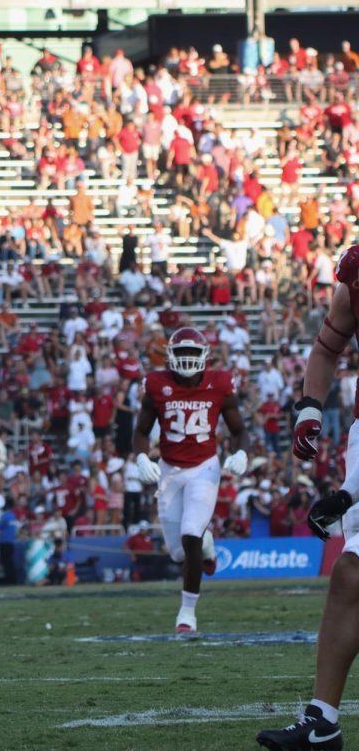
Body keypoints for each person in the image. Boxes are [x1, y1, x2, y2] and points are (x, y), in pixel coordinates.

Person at [258, 244, 359, 750]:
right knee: (350, 575)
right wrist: (309, 407)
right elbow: (326, 347)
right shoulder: (355, 271)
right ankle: (323, 722)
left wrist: (346, 493)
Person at [132, 327, 247, 635]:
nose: (185, 359)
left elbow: (238, 429)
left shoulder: (220, 383)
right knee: (178, 552)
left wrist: (241, 453)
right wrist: (142, 457)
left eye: (191, 353)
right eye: (180, 353)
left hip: (204, 468)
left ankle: (187, 614)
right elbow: (141, 431)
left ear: (204, 356)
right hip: (169, 469)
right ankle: (208, 549)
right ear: (170, 355)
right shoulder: (157, 384)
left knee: (191, 532)